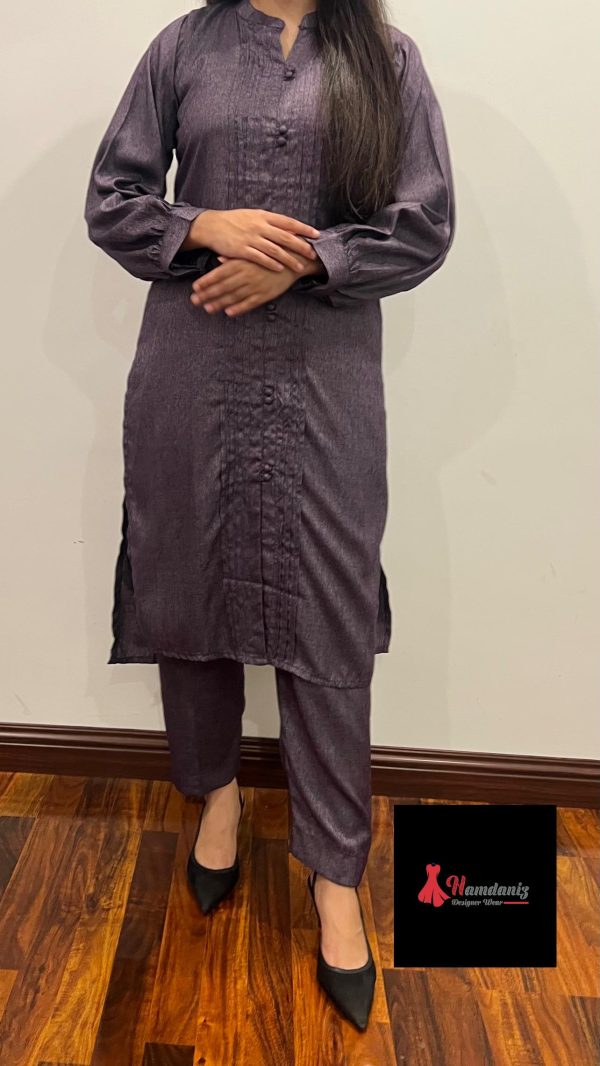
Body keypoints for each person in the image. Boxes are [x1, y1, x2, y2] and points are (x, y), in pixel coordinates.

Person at [84, 0, 455, 1031]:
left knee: (327, 616)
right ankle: (216, 798)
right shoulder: (183, 48)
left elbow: (424, 226)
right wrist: (202, 225)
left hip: (325, 382)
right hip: (189, 371)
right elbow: (112, 199)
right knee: (188, 593)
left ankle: (336, 874)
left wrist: (307, 257)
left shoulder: (387, 59)